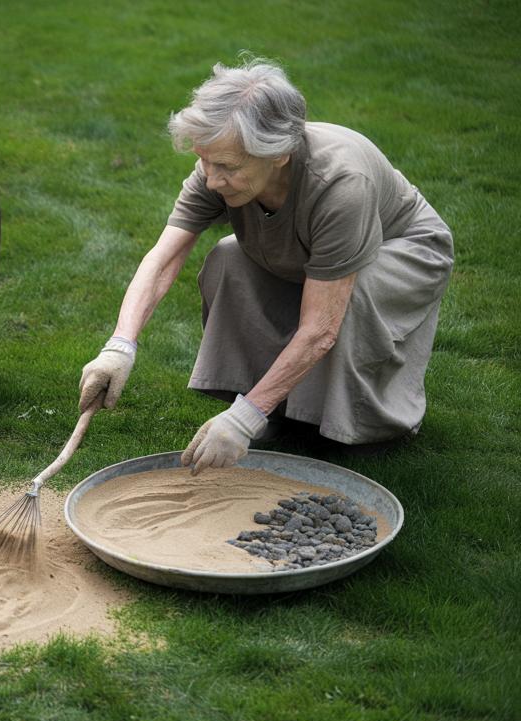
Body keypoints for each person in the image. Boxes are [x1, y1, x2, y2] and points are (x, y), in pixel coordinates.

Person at [77, 57, 454, 475]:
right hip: (305, 247)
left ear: (279, 154)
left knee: (351, 294)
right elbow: (163, 258)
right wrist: (120, 346)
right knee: (228, 258)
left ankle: (366, 427)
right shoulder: (218, 166)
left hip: (403, 250)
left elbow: (320, 329)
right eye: (206, 161)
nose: (212, 179)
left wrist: (246, 417)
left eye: (228, 168)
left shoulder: (340, 183)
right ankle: (268, 409)